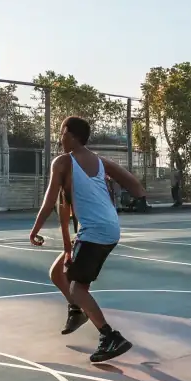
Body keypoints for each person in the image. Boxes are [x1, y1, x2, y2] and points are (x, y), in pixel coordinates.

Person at [29, 115, 147, 363]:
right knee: (57, 272)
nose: (59, 138)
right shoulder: (101, 162)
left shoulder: (62, 162)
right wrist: (68, 248)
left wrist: (34, 229)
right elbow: (138, 189)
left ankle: (109, 336)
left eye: (61, 132)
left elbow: (49, 201)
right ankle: (76, 310)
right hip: (109, 227)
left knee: (77, 286)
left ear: (71, 135)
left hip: (95, 231)